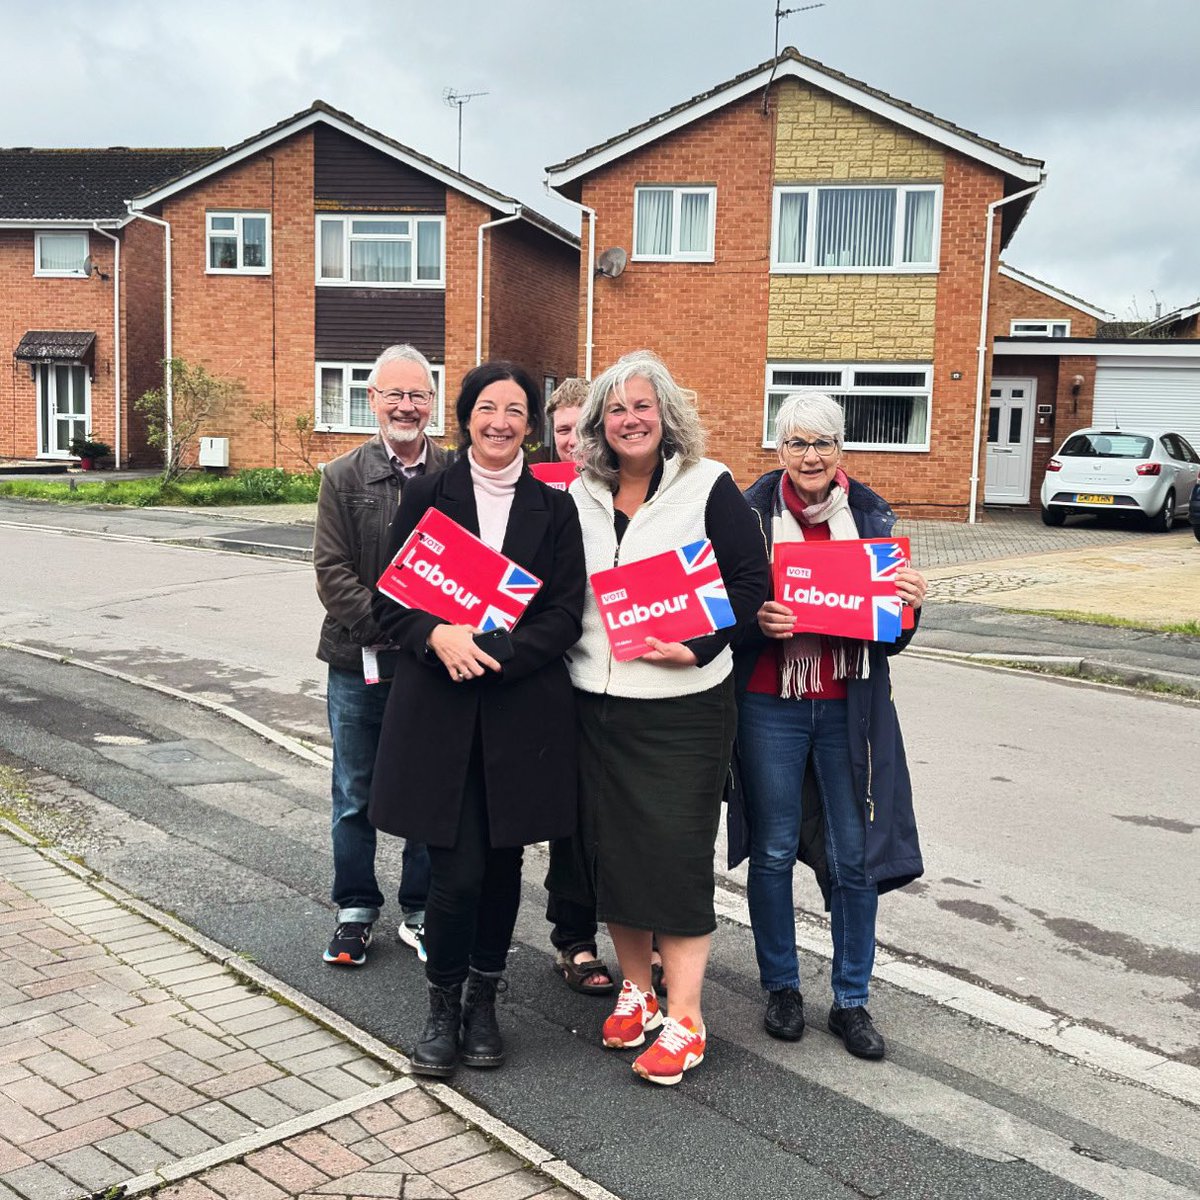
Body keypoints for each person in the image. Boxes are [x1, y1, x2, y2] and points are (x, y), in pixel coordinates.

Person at [369, 361, 585, 1078]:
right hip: (441, 712)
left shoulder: (555, 510)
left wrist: (496, 651)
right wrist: (437, 636)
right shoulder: (431, 492)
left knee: (502, 867)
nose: (501, 422)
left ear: (531, 424)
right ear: (466, 417)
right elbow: (390, 600)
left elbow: (562, 614)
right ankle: (441, 1004)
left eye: (516, 410)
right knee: (456, 872)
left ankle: (484, 1003)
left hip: (520, 712)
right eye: (488, 408)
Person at [562, 349, 768, 1085]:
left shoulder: (707, 487)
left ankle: (686, 1018)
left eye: (643, 406)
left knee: (675, 858)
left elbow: (752, 584)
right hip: (596, 703)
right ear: (598, 423)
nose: (630, 419)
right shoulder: (577, 494)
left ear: (667, 415)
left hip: (685, 709)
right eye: (616, 409)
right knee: (611, 854)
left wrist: (701, 642)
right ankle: (637, 991)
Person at [732, 392, 926, 1060]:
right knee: (775, 849)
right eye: (796, 443)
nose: (809, 457)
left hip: (849, 706)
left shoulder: (871, 514)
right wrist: (756, 622)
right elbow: (725, 609)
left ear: (842, 449)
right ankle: (781, 987)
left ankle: (851, 1000)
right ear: (778, 448)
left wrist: (908, 607)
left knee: (853, 857)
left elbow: (888, 638)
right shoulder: (748, 511)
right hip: (769, 704)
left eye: (823, 443)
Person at [314, 343, 448, 968]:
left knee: (428, 788)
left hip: (431, 665)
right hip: (356, 660)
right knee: (355, 793)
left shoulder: (454, 473)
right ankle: (355, 911)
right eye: (394, 394)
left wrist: (425, 638)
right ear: (372, 400)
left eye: (417, 394)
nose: (406, 406)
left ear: (432, 401)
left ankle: (420, 911)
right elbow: (332, 571)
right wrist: (391, 626)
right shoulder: (343, 477)